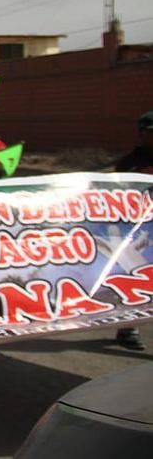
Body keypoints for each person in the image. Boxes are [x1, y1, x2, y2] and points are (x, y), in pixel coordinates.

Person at [110, 110, 153, 351]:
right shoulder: (129, 164)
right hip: (139, 233)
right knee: (137, 278)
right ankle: (128, 327)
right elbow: (116, 195)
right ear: (142, 135)